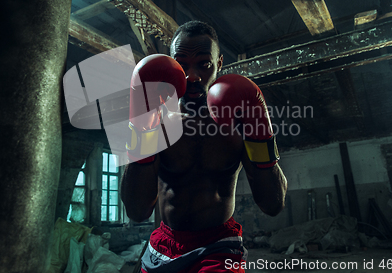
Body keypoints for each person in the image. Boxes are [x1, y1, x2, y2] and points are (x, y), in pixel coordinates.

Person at [121, 21, 287, 273]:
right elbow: (137, 210)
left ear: (219, 63)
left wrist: (261, 132)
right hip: (165, 242)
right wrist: (140, 127)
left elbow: (272, 204)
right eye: (183, 65)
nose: (193, 76)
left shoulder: (239, 121)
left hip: (217, 245)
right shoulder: (158, 121)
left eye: (204, 64)